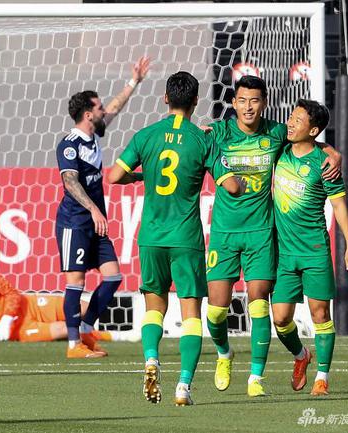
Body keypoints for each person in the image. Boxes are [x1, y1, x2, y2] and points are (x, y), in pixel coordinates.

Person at [108, 71, 244, 406]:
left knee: (154, 307)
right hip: (186, 238)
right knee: (191, 313)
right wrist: (237, 178)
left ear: (166, 98)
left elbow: (114, 175)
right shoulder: (202, 140)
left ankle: (151, 359)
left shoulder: (146, 135)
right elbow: (232, 187)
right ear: (196, 101)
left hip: (152, 237)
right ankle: (183, 386)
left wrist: (140, 177)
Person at [204, 76, 342, 397]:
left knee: (259, 303)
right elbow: (192, 144)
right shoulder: (220, 132)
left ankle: (256, 379)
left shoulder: (276, 133)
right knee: (216, 311)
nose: (248, 107)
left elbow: (308, 141)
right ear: (233, 103)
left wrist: (332, 152)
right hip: (224, 232)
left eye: (254, 100)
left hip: (262, 233)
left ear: (264, 103)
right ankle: (224, 354)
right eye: (242, 100)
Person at [55, 56, 150, 358]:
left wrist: (134, 81)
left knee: (112, 276)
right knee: (76, 281)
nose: (103, 110)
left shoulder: (93, 134)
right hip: (74, 222)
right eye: (98, 108)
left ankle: (86, 329)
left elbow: (116, 108)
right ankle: (73, 345)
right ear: (87, 114)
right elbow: (70, 181)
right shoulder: (69, 145)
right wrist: (95, 210)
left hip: (95, 223)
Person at [271, 99, 348, 396]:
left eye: (298, 120)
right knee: (280, 319)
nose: (290, 123)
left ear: (313, 130)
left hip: (314, 250)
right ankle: (301, 356)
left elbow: (339, 206)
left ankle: (322, 377)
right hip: (284, 254)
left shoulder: (324, 165)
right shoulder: (280, 150)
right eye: (291, 117)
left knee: (320, 314)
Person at [0, 251, 112, 344]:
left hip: (28, 305)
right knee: (65, 329)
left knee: (83, 307)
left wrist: (5, 321)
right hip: (18, 330)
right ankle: (113, 336)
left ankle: (109, 331)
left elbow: (11, 293)